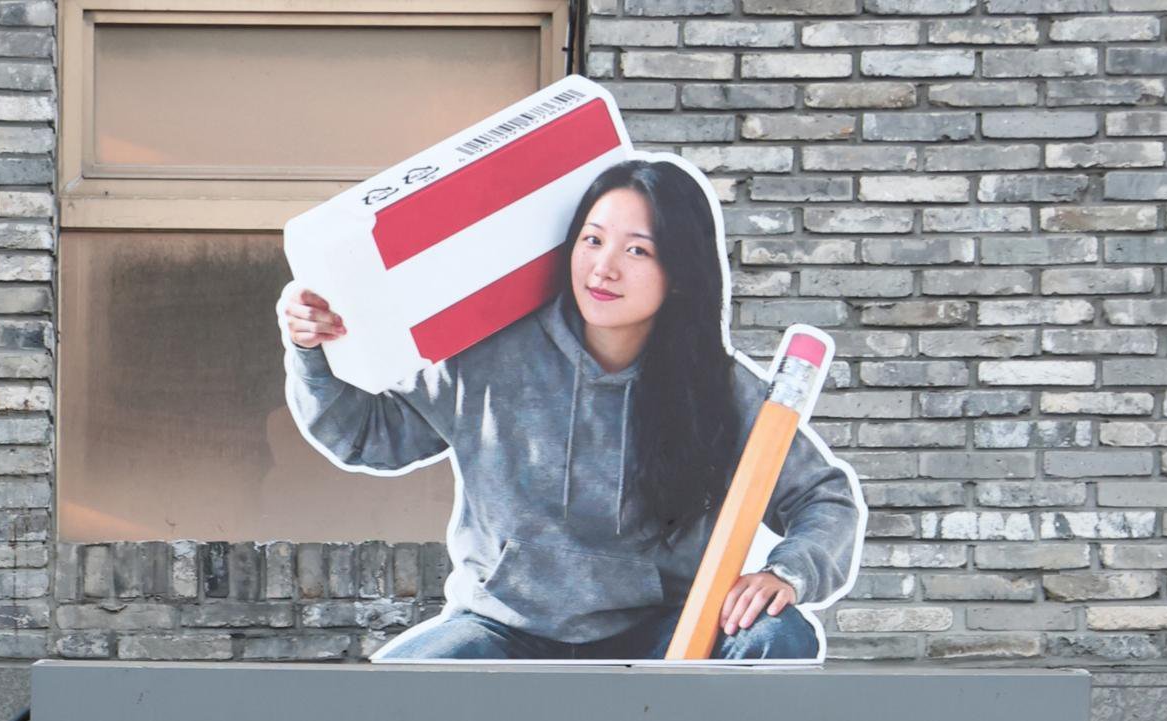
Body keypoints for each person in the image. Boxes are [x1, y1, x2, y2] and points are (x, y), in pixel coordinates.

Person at [280, 156, 863, 663]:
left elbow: (823, 497)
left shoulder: (719, 388)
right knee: (396, 689)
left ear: (680, 275)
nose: (604, 268)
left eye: (637, 250)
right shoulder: (490, 355)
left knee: (777, 633)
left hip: (666, 634)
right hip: (504, 630)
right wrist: (311, 350)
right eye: (593, 240)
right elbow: (367, 436)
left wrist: (786, 572)